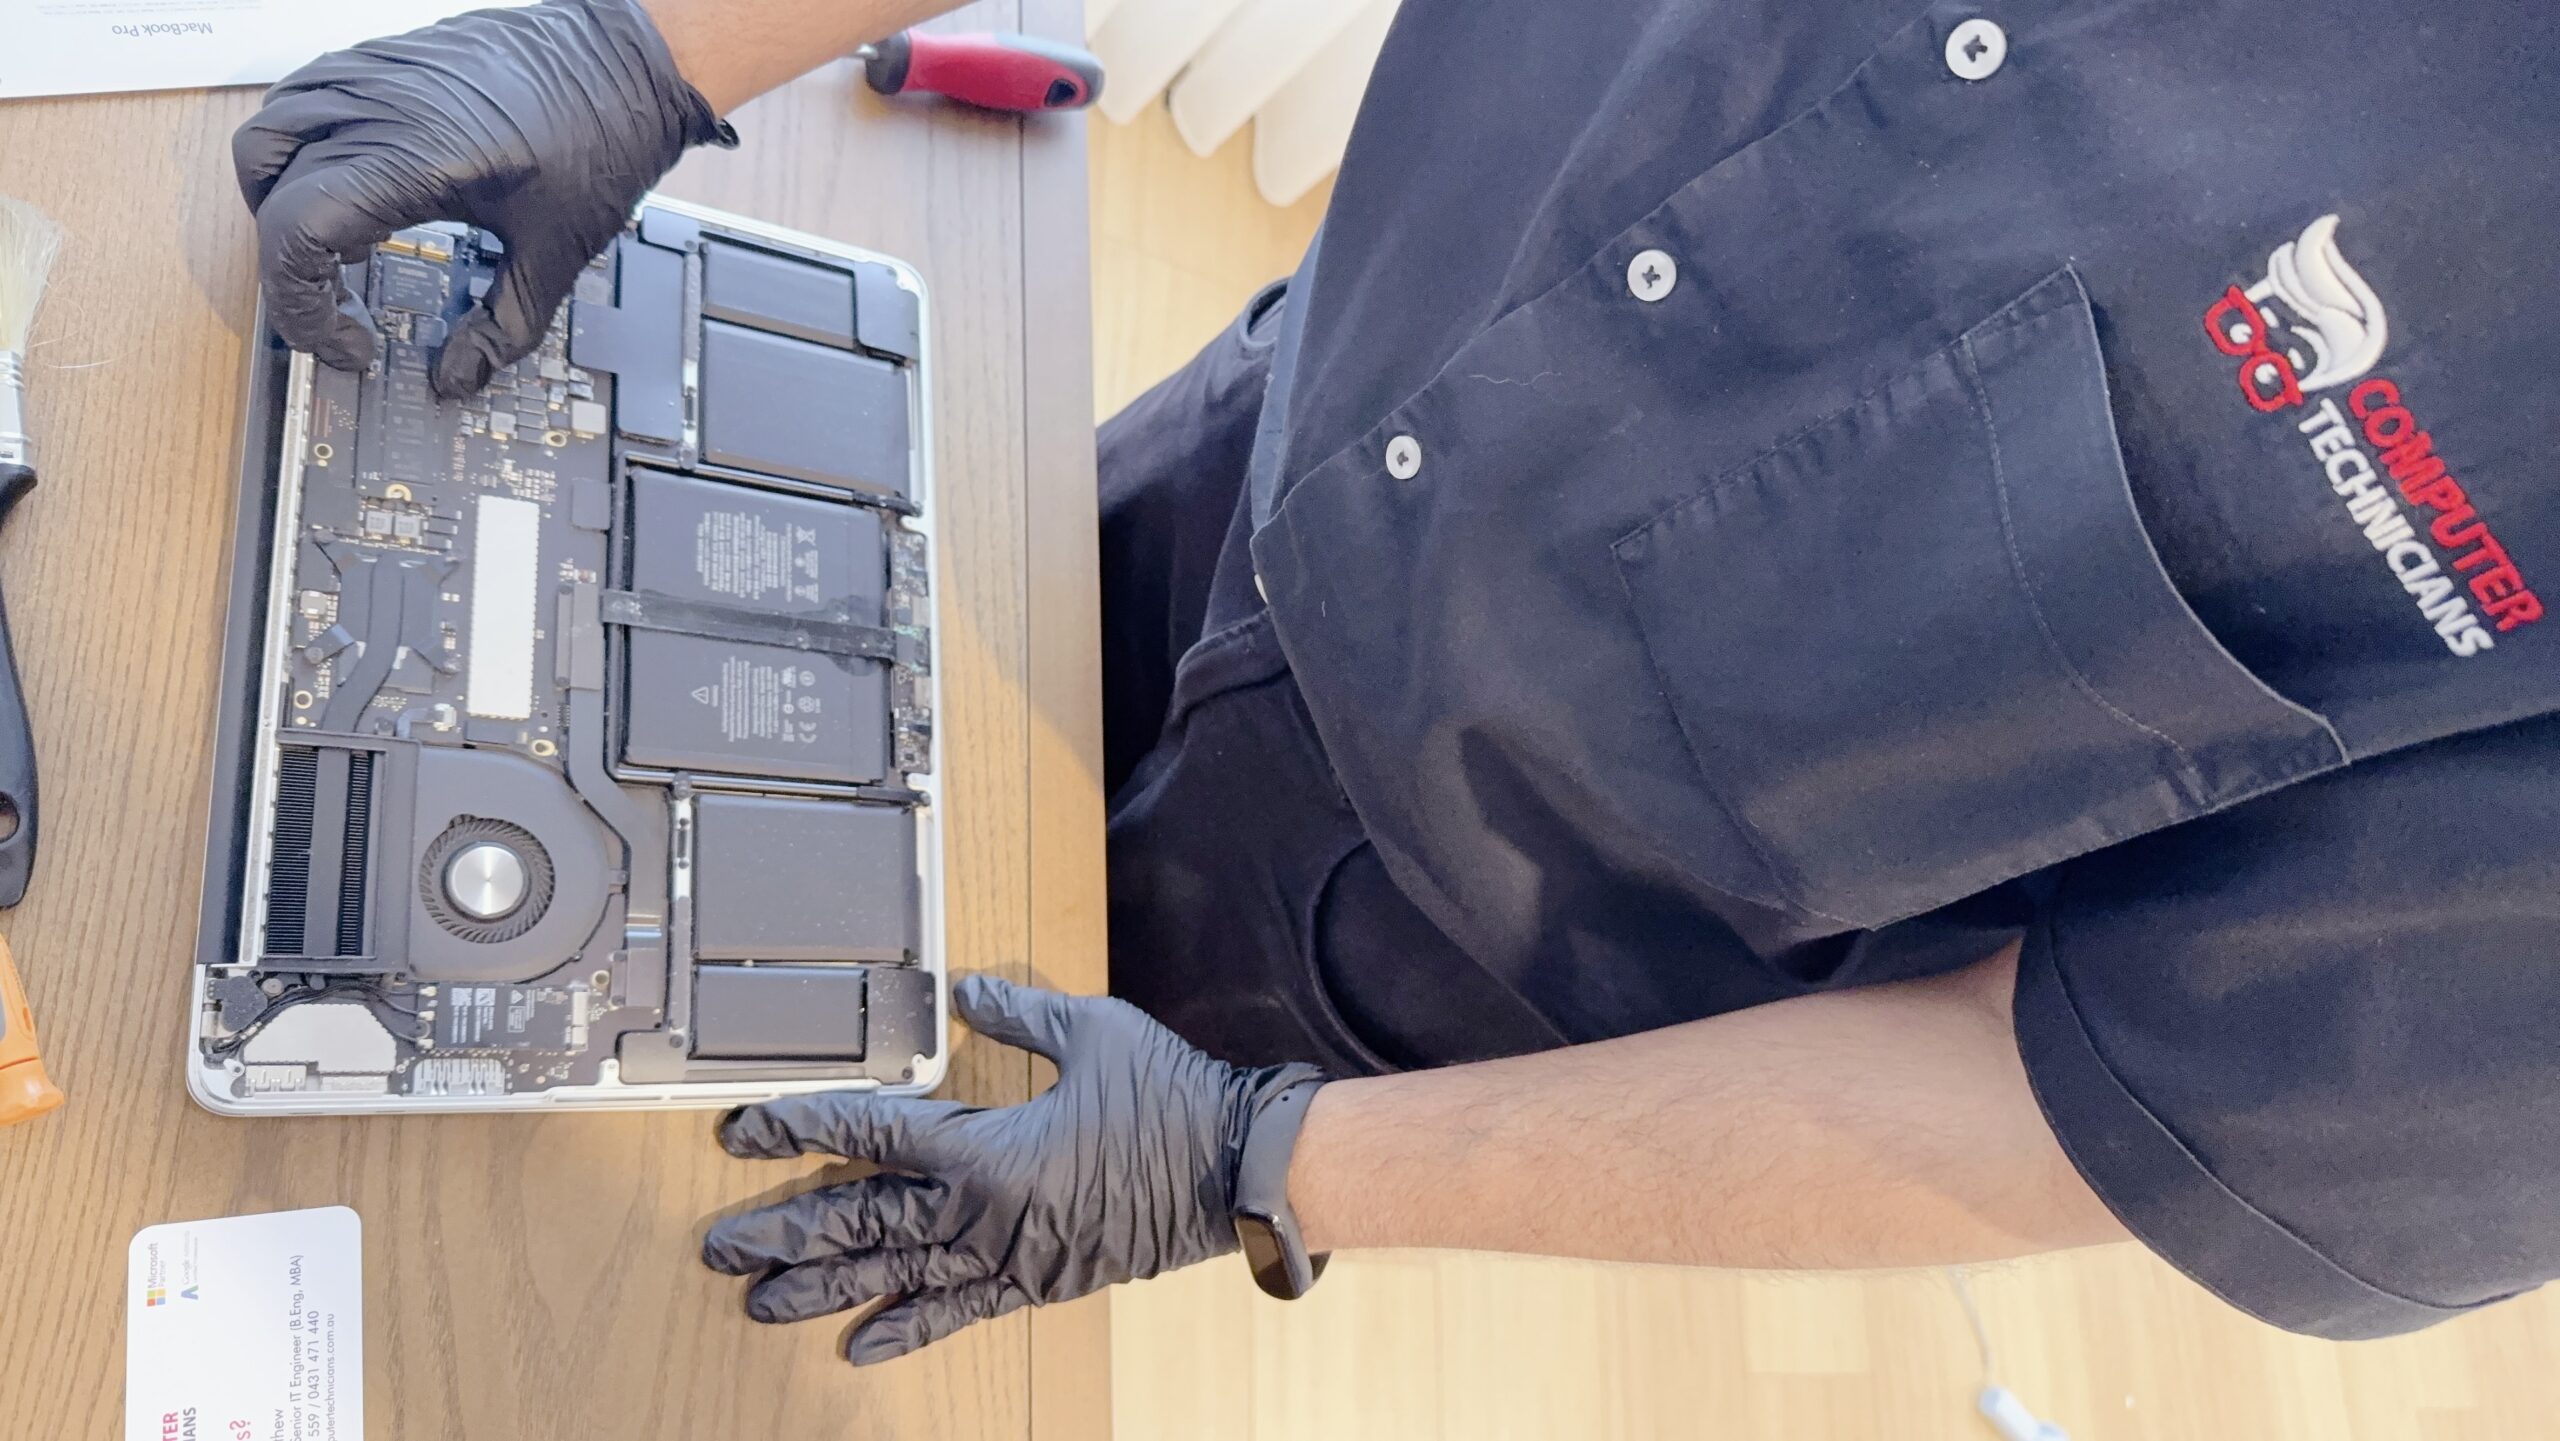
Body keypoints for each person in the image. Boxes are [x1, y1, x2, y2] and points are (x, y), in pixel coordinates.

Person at [234, 0, 2560, 1367]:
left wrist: (1253, 1158)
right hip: (1287, 428)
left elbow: (2115, 1098)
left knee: (622, 1243)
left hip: (1445, 942)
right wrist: (655, 41)